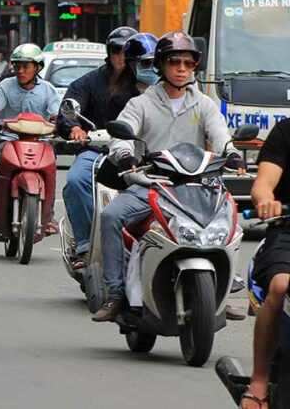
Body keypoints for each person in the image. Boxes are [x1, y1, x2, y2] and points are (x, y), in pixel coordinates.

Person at [93, 30, 245, 322]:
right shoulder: (142, 104)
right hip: (152, 184)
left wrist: (232, 153)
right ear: (161, 65)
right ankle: (115, 294)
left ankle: (222, 291)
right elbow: (121, 135)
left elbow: (220, 135)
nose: (181, 69)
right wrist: (125, 155)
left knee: (232, 220)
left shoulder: (204, 104)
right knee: (111, 215)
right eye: (175, 62)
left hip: (197, 186)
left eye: (188, 64)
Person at [57, 27, 142, 267]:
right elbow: (69, 107)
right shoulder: (89, 82)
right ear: (109, 52)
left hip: (137, 154)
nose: (122, 57)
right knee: (75, 181)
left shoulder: (147, 85)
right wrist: (73, 127)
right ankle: (84, 244)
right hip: (96, 150)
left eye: (129, 52)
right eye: (117, 50)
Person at [0, 43, 62, 233]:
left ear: (38, 67)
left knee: (51, 168)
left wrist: (60, 125)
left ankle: (48, 215)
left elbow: (56, 115)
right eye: (17, 66)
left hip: (40, 141)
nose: (20, 71)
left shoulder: (48, 90)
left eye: (26, 66)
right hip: (8, 139)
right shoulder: (5, 86)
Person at [241, 118, 290, 408]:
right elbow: (264, 183)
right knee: (282, 285)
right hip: (286, 231)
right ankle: (259, 380)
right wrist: (266, 201)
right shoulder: (286, 131)